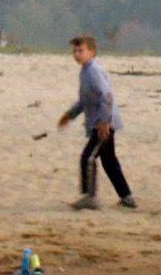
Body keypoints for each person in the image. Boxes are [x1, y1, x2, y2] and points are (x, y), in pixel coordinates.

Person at [56, 35, 136, 210]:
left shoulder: (93, 71)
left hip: (104, 122)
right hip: (99, 121)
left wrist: (105, 122)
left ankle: (90, 198)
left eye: (81, 51)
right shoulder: (85, 72)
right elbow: (85, 101)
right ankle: (127, 197)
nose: (77, 54)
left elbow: (106, 96)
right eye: (75, 51)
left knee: (88, 157)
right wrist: (70, 115)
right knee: (109, 160)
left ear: (92, 52)